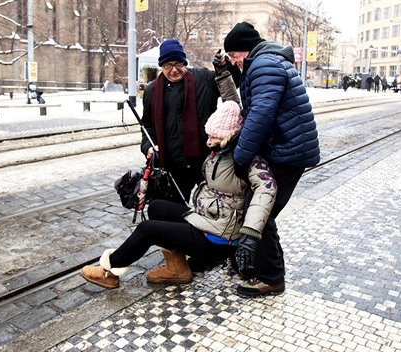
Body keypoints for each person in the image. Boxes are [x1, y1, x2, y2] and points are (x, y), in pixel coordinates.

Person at [81, 101, 277, 289]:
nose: (209, 141)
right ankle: (177, 270)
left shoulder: (246, 161)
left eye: (214, 137)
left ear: (230, 136)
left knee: (147, 229)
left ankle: (110, 271)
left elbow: (266, 189)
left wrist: (250, 235)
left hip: (218, 237)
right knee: (157, 206)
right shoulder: (219, 153)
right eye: (208, 135)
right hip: (205, 220)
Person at [222, 22, 320, 297]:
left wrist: (241, 156)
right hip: (287, 147)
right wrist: (231, 71)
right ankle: (257, 265)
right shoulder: (265, 63)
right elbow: (255, 100)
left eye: (233, 57)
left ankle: (271, 277)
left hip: (288, 151)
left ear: (245, 50)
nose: (233, 62)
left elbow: (260, 115)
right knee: (261, 209)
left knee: (261, 211)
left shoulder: (264, 66)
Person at [139, 39, 239, 204]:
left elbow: (231, 83)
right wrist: (147, 146)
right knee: (174, 212)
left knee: (212, 209)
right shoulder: (152, 90)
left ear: (184, 62)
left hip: (206, 162)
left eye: (178, 64)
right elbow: (147, 125)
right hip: (173, 166)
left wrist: (227, 67)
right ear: (161, 66)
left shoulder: (203, 78)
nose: (174, 70)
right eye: (168, 65)